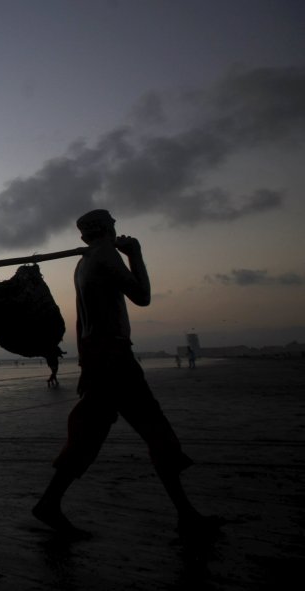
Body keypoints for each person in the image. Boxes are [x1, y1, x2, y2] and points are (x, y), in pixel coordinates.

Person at [33, 210, 220, 539]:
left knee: (89, 433)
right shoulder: (104, 255)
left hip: (98, 357)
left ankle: (51, 502)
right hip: (114, 357)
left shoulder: (83, 263)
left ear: (83, 237)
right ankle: (186, 514)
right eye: (114, 228)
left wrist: (87, 365)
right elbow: (143, 297)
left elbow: (83, 322)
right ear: (108, 230)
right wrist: (136, 255)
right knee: (154, 429)